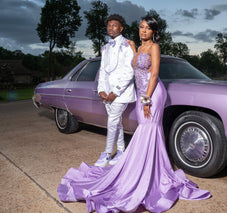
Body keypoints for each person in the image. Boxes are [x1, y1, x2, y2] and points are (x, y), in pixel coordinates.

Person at [57, 16, 211, 213]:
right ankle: (143, 168)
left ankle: (149, 174)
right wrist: (138, 90)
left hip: (153, 93)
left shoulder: (154, 48)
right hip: (141, 94)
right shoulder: (136, 48)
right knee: (145, 130)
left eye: (147, 28)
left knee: (149, 130)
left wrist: (147, 98)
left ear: (154, 32)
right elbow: (132, 69)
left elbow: (154, 74)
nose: (143, 31)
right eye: (141, 27)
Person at [95, 14, 136, 167]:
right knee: (116, 122)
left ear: (121, 28)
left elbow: (130, 71)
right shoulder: (105, 47)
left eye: (114, 25)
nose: (111, 28)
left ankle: (106, 153)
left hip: (121, 93)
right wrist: (101, 91)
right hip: (107, 93)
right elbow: (103, 71)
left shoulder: (127, 45)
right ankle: (120, 151)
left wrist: (115, 92)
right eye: (109, 25)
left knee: (112, 121)